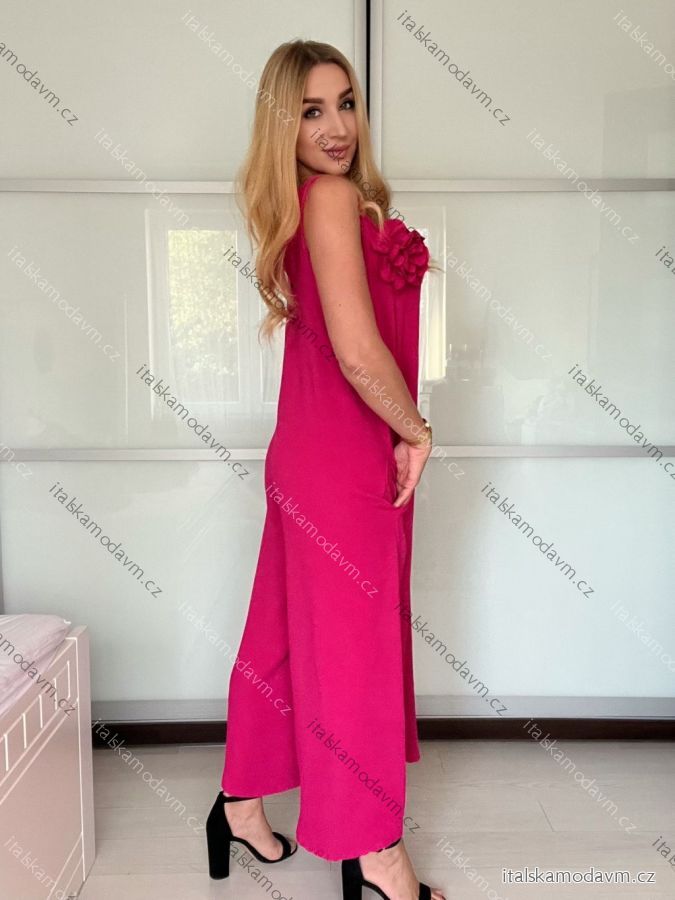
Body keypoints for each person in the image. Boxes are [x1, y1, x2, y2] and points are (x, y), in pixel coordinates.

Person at [205, 39, 445, 900]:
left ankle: (239, 802)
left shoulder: (310, 202)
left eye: (345, 103)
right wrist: (415, 431)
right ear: (282, 124)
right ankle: (373, 850)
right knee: (353, 659)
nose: (336, 127)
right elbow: (356, 351)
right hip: (342, 461)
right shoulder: (333, 198)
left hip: (305, 455)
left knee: (279, 636)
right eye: (310, 111)